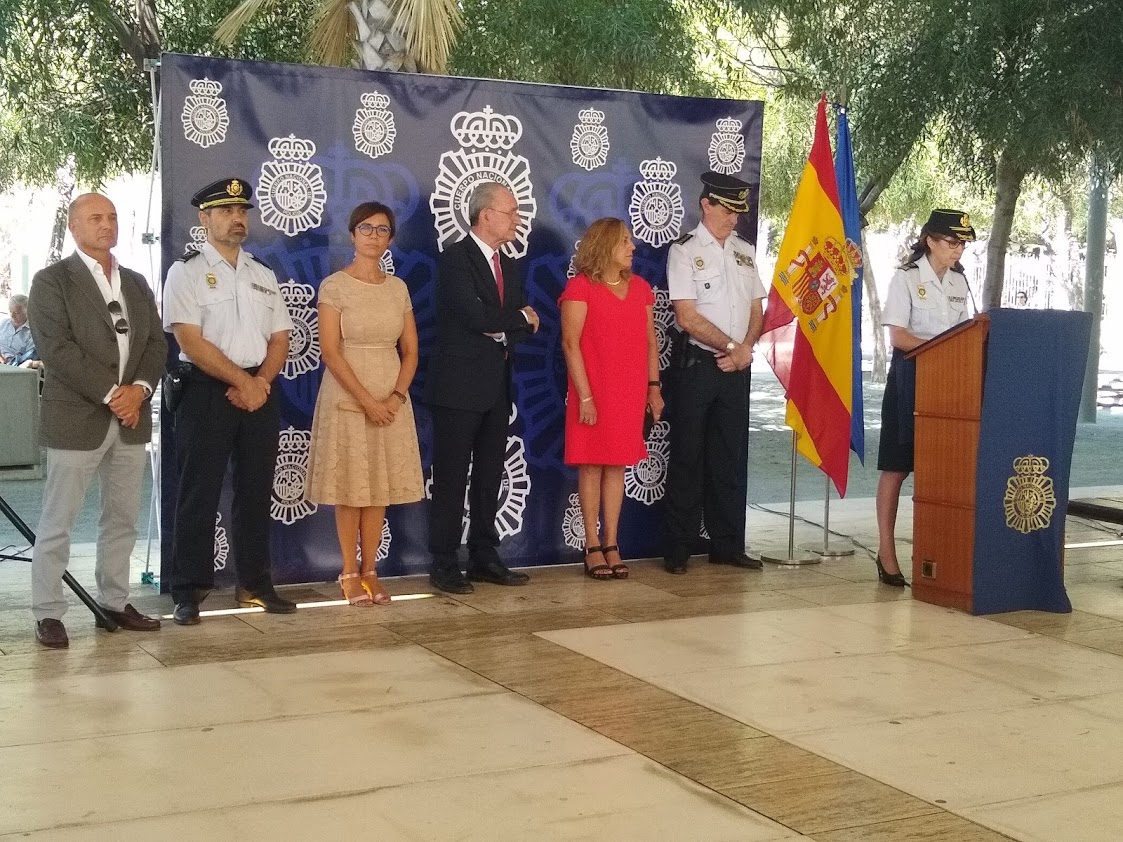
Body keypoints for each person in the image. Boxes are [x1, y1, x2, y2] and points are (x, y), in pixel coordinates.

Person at [26, 193, 167, 648]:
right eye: (95, 218)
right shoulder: (52, 281)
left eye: (112, 217)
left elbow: (156, 344)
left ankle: (114, 601)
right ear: (73, 227)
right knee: (58, 521)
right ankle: (48, 612)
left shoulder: (136, 282)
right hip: (77, 418)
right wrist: (112, 394)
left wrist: (139, 390)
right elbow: (56, 348)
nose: (107, 225)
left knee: (122, 518)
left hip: (131, 417)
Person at [163, 178, 295, 625]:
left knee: (256, 492)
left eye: (242, 211)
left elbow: (280, 338)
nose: (237, 218)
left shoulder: (262, 273)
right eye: (226, 211)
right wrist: (244, 382)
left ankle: (254, 584)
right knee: (198, 493)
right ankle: (189, 590)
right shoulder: (186, 272)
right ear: (204, 219)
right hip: (206, 391)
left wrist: (260, 383)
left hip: (260, 390)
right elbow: (190, 340)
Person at [424, 181, 540, 594]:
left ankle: (484, 556)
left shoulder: (510, 265)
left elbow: (522, 324)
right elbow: (475, 318)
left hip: (496, 387)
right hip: (458, 388)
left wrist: (508, 323)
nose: (518, 220)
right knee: (452, 478)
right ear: (486, 214)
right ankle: (443, 562)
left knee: (490, 476)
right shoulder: (456, 259)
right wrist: (515, 320)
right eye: (511, 212)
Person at [305, 202, 424, 606]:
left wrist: (395, 397)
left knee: (378, 488)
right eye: (366, 228)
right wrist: (367, 401)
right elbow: (330, 351)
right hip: (347, 395)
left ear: (391, 238)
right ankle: (349, 572)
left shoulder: (398, 289)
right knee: (351, 487)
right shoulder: (334, 286)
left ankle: (371, 570)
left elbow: (411, 351)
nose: (374, 236)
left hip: (391, 397)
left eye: (382, 229)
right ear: (352, 235)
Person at [663, 172, 765, 574]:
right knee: (688, 457)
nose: (734, 219)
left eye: (738, 212)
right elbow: (686, 316)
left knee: (729, 458)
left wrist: (745, 350)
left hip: (737, 368)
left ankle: (727, 544)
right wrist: (731, 348)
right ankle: (679, 547)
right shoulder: (685, 250)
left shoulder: (744, 250)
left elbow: (756, 308)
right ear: (706, 204)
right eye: (727, 210)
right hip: (699, 367)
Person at [875, 208, 976, 586]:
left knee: (943, 470)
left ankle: (941, 550)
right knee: (897, 467)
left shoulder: (960, 281)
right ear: (930, 240)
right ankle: (886, 552)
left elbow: (967, 332)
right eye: (951, 241)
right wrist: (941, 348)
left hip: (949, 383)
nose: (958, 249)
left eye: (962, 243)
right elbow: (898, 336)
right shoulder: (905, 278)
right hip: (910, 379)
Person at [560, 218, 663, 579]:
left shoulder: (641, 289)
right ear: (604, 246)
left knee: (618, 464)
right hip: (592, 391)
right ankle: (591, 544)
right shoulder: (580, 287)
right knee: (591, 464)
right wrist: (586, 397)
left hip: (629, 391)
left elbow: (651, 342)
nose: (632, 247)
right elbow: (570, 344)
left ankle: (612, 542)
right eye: (624, 241)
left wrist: (654, 388)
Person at [0, 294, 41, 368]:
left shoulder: (32, 332)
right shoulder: (3, 323)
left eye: (16, 313)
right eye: (10, 311)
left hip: (14, 367)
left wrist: (11, 363)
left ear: (27, 312)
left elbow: (28, 357)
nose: (12, 316)